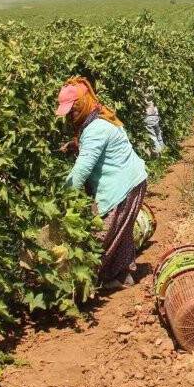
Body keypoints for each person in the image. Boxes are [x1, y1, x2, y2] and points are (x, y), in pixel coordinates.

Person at [56, 76, 148, 289]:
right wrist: (75, 146)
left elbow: (82, 170)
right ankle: (123, 276)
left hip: (122, 186)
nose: (70, 115)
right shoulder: (98, 118)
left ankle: (88, 280)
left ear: (82, 104)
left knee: (101, 235)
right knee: (122, 232)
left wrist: (62, 198)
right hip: (133, 180)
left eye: (73, 110)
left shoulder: (96, 129)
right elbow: (96, 149)